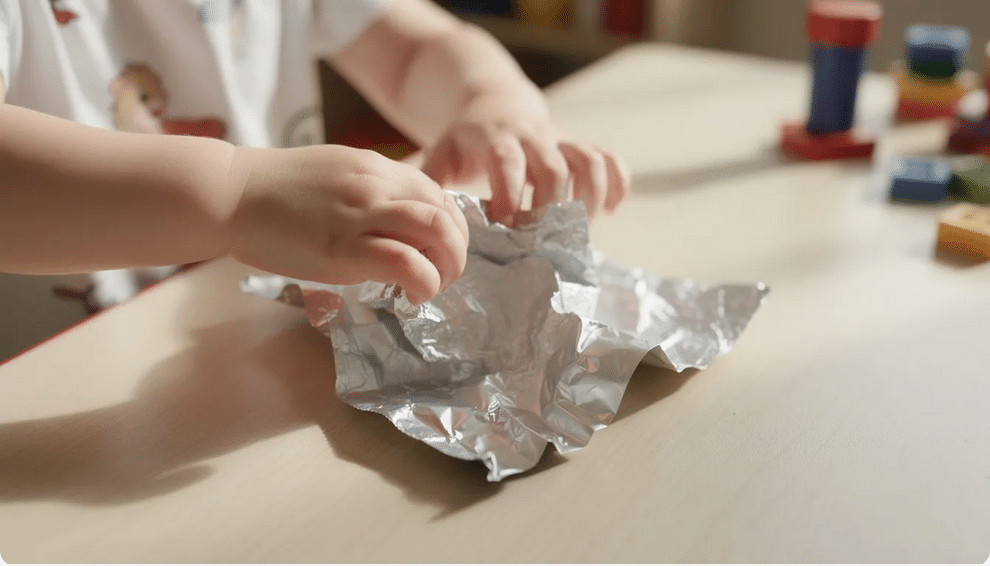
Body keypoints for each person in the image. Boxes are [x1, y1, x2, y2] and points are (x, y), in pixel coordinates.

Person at [0, 0, 629, 308]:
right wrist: (236, 195)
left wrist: (493, 106)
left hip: (234, 338)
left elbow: (413, 47)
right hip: (57, 384)